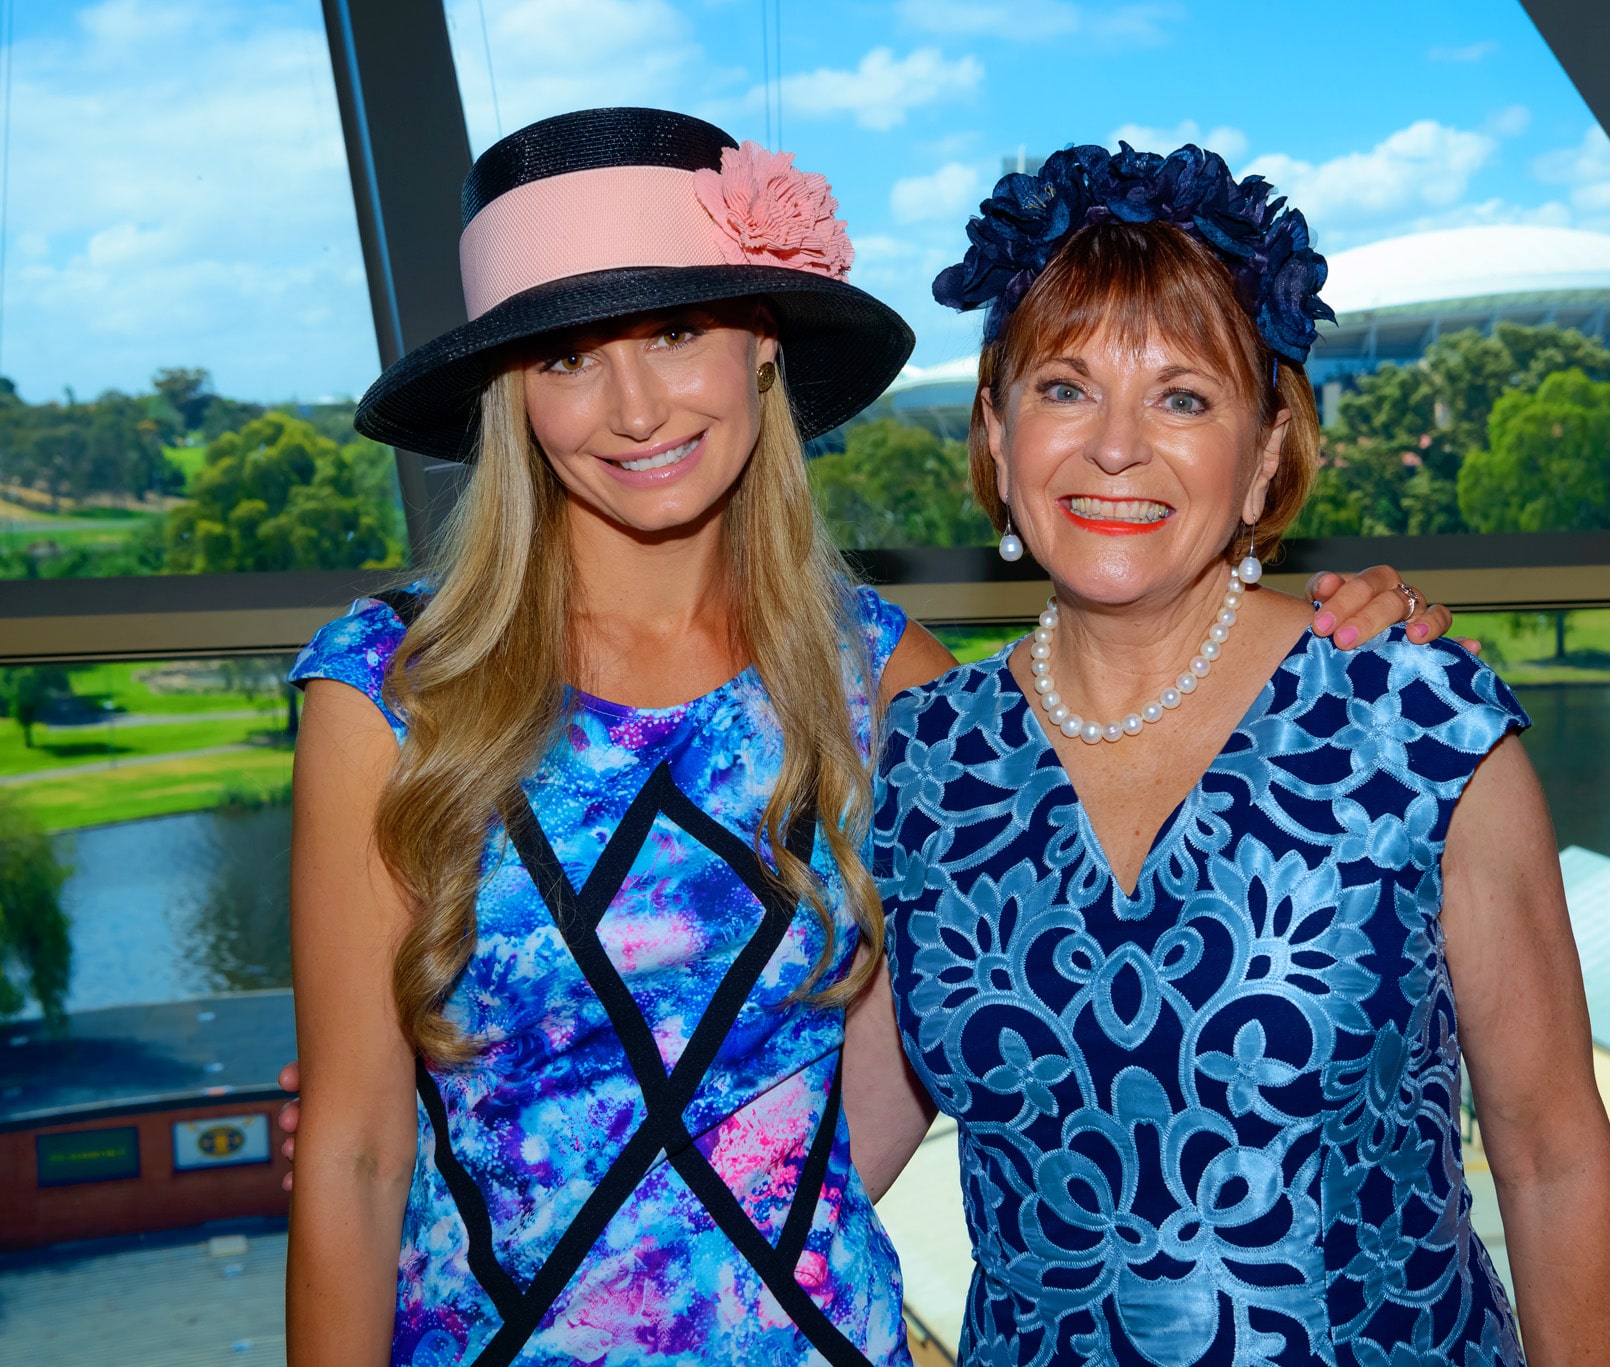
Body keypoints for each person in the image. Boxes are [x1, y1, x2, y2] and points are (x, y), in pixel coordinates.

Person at [282, 108, 1453, 1367]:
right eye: (567, 357)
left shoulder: (892, 684)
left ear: (763, 348)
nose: (632, 407)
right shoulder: (395, 690)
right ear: (510, 397)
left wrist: (1339, 649)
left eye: (676, 331)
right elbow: (350, 1159)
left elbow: (1135, 940)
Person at [874, 143, 1610, 1367]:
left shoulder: (1415, 721)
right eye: (1065, 388)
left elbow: (1551, 1156)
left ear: (1267, 454)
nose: (1115, 446)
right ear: (994, 433)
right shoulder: (921, 759)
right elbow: (827, 1143)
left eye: (1182, 396)